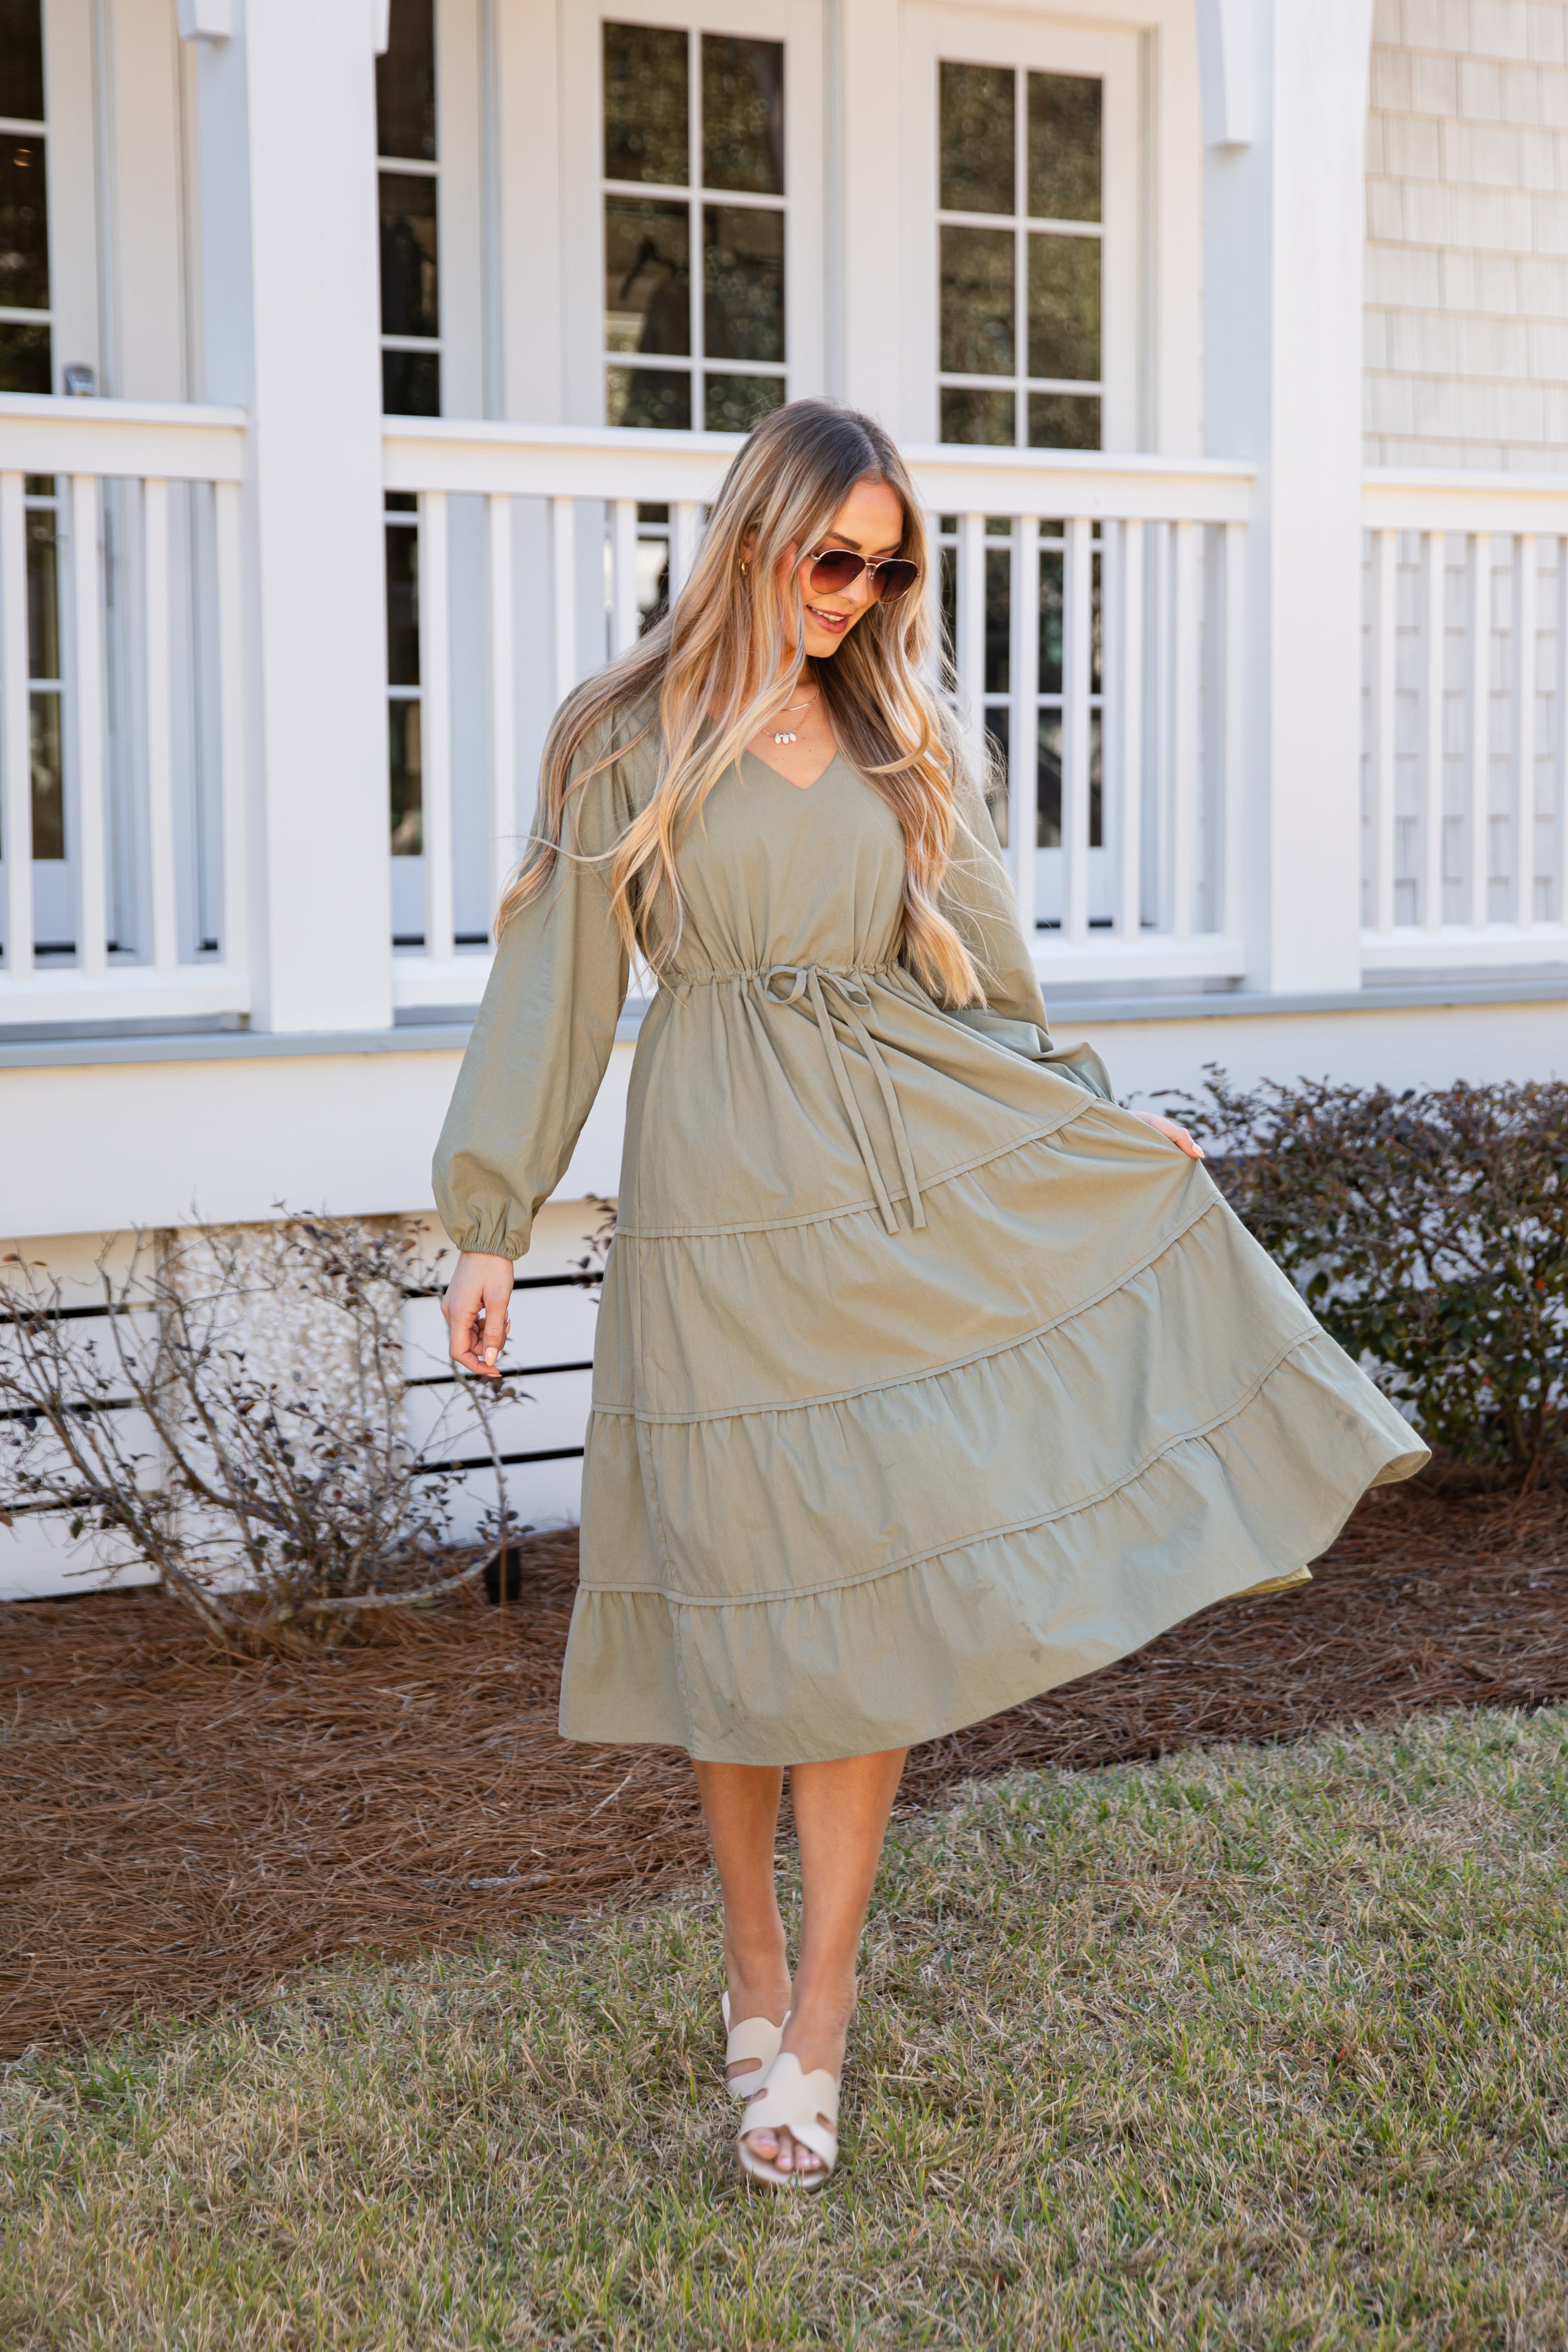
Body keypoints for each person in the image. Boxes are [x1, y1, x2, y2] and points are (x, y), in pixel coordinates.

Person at [433, 400, 1426, 2190]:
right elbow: (551, 990)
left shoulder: (901, 745)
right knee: (736, 1590)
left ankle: (816, 2017)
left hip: (886, 1198)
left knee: (867, 1597)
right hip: (712, 1202)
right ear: (755, 538)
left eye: (888, 572)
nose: (857, 596)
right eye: (835, 559)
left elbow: (986, 995)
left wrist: (1096, 1125)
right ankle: (745, 1958)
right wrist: (488, 1222)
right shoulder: (622, 737)